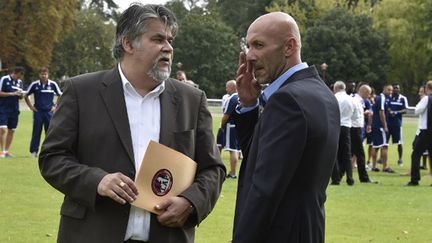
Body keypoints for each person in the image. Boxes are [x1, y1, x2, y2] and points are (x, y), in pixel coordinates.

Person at [38, 4, 225, 243]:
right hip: (92, 234)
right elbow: (52, 158)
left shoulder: (192, 99)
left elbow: (212, 169)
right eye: (158, 39)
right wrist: (97, 181)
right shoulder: (81, 91)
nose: (168, 48)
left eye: (169, 40)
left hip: (167, 236)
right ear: (128, 43)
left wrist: (191, 202)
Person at [231, 12, 340, 242]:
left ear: (289, 46)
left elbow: (264, 190)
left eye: (258, 45)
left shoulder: (287, 100)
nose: (249, 56)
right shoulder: (322, 92)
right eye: (248, 45)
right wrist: (249, 105)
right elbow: (265, 159)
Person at [24, 67, 62, 157]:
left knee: (49, 133)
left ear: (48, 75)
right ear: (39, 75)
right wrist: (31, 107)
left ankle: (49, 151)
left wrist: (55, 106)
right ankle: (33, 152)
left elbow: (60, 95)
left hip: (49, 112)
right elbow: (26, 95)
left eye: (45, 74)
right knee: (36, 132)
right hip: (38, 112)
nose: (44, 76)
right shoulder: (35, 84)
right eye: (42, 74)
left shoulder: (53, 84)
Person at [407, 81, 432, 186]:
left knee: (416, 154)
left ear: (427, 88)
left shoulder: (426, 98)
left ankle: (415, 179)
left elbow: (417, 110)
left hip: (425, 131)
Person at [351, 84, 377, 183]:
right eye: (369, 94)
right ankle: (364, 178)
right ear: (365, 92)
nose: (369, 96)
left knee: (351, 153)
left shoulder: (360, 101)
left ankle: (340, 175)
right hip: (354, 128)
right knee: (360, 154)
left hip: (357, 128)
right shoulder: (355, 100)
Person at [331, 81, 355, 186]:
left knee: (334, 153)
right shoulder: (351, 99)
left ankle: (336, 178)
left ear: (335, 88)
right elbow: (355, 113)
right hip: (347, 126)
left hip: (336, 126)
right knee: (347, 153)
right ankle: (350, 178)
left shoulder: (334, 97)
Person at [0, 66, 25, 158]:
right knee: (2, 129)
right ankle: (2, 151)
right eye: (19, 75)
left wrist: (21, 95)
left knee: (12, 130)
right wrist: (12, 93)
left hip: (14, 110)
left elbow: (20, 97)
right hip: (3, 109)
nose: (20, 78)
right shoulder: (4, 79)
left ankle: (6, 151)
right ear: (14, 72)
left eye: (21, 76)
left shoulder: (20, 82)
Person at [370, 84, 394, 173]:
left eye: (391, 90)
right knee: (384, 146)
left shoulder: (379, 98)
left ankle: (374, 166)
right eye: (389, 90)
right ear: (384, 89)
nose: (390, 92)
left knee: (375, 145)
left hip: (375, 125)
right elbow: (381, 113)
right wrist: (385, 126)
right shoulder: (382, 98)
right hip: (380, 126)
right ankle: (385, 166)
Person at [221, 80, 240, 179]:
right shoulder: (242, 96)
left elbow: (226, 115)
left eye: (227, 87)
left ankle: (232, 173)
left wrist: (222, 125)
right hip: (240, 126)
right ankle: (234, 172)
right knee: (237, 149)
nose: (226, 89)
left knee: (233, 150)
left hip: (231, 126)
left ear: (232, 87)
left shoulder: (232, 98)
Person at [387, 84, 408, 166]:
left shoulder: (403, 98)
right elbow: (386, 107)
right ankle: (382, 159)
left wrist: (396, 112)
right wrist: (389, 111)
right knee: (385, 142)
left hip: (397, 124)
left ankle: (400, 159)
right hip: (388, 123)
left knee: (399, 142)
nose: (395, 89)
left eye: (397, 88)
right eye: (394, 88)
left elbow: (405, 110)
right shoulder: (389, 97)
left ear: (399, 89)